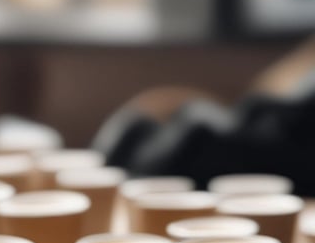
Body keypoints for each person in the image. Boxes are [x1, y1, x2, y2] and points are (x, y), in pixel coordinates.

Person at [90, 37, 315, 196]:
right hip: (246, 131)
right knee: (139, 129)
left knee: (184, 134)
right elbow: (266, 94)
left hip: (257, 162)